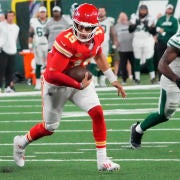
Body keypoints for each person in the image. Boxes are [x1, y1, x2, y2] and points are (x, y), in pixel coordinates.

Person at [13, 3, 126, 171]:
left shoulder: (99, 34)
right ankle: (21, 142)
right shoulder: (66, 40)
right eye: (80, 26)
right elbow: (51, 74)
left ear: (96, 27)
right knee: (50, 127)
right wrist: (77, 84)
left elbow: (99, 54)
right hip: (56, 84)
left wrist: (112, 78)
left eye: (89, 28)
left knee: (98, 113)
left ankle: (102, 161)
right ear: (74, 22)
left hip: (79, 81)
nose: (84, 31)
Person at [130, 31, 180, 149]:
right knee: (164, 114)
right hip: (172, 79)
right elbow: (162, 64)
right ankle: (137, 130)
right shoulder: (177, 41)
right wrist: (176, 79)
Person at [87, 7, 118, 87]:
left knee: (104, 62)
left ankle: (102, 80)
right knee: (93, 62)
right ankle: (94, 80)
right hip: (94, 43)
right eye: (99, 11)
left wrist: (114, 42)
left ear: (105, 12)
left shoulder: (109, 21)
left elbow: (113, 32)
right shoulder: (93, 20)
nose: (101, 13)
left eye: (102, 11)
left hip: (105, 44)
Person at [129, 4, 156, 84]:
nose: (143, 11)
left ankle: (153, 77)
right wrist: (135, 24)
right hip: (137, 39)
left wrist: (147, 26)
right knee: (137, 59)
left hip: (147, 39)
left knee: (149, 58)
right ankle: (137, 78)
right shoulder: (134, 17)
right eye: (142, 10)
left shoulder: (151, 17)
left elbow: (153, 32)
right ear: (139, 10)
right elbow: (130, 30)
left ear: (147, 11)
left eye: (144, 10)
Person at [154, 4, 179, 79]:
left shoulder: (174, 20)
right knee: (160, 59)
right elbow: (157, 28)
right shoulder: (161, 19)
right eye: (168, 9)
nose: (169, 10)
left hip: (170, 43)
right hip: (161, 42)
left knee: (169, 59)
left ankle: (169, 76)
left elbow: (174, 30)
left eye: (171, 9)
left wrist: (164, 30)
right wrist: (159, 31)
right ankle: (160, 77)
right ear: (166, 9)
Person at [28, 6, 49, 90]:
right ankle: (37, 83)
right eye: (41, 12)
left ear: (46, 13)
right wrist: (30, 44)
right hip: (38, 45)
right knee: (38, 65)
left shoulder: (50, 21)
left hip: (48, 45)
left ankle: (48, 83)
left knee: (49, 65)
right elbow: (31, 33)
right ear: (38, 13)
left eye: (44, 12)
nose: (42, 14)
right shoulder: (34, 21)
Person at [0, 10, 19, 93]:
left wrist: (13, 48)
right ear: (6, 17)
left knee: (10, 71)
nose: (10, 17)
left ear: (14, 17)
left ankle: (8, 87)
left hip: (12, 51)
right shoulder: (1, 25)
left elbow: (14, 39)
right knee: (1, 69)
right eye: (9, 16)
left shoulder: (16, 27)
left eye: (12, 16)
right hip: (2, 50)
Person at [115, 12, 134, 84]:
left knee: (133, 63)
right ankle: (124, 79)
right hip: (122, 49)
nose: (123, 18)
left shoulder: (131, 24)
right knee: (123, 64)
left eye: (124, 17)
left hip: (131, 48)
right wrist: (116, 42)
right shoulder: (117, 26)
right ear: (119, 18)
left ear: (126, 17)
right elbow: (115, 35)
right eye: (121, 17)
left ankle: (134, 78)